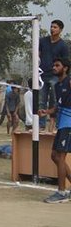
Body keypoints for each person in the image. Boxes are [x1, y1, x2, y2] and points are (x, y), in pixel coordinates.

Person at [37, 58, 71, 203]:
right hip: (62, 125)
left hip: (69, 124)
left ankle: (61, 193)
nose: (54, 67)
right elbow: (58, 106)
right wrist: (46, 111)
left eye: (57, 65)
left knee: (61, 157)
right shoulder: (58, 85)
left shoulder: (69, 82)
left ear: (66, 68)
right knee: (54, 156)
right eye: (53, 65)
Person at [38, 20, 69, 111]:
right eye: (51, 26)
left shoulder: (63, 46)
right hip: (42, 75)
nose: (52, 29)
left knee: (54, 100)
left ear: (60, 30)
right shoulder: (42, 41)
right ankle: (41, 124)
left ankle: (53, 122)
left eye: (55, 27)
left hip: (55, 76)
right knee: (41, 101)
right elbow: (37, 55)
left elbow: (65, 62)